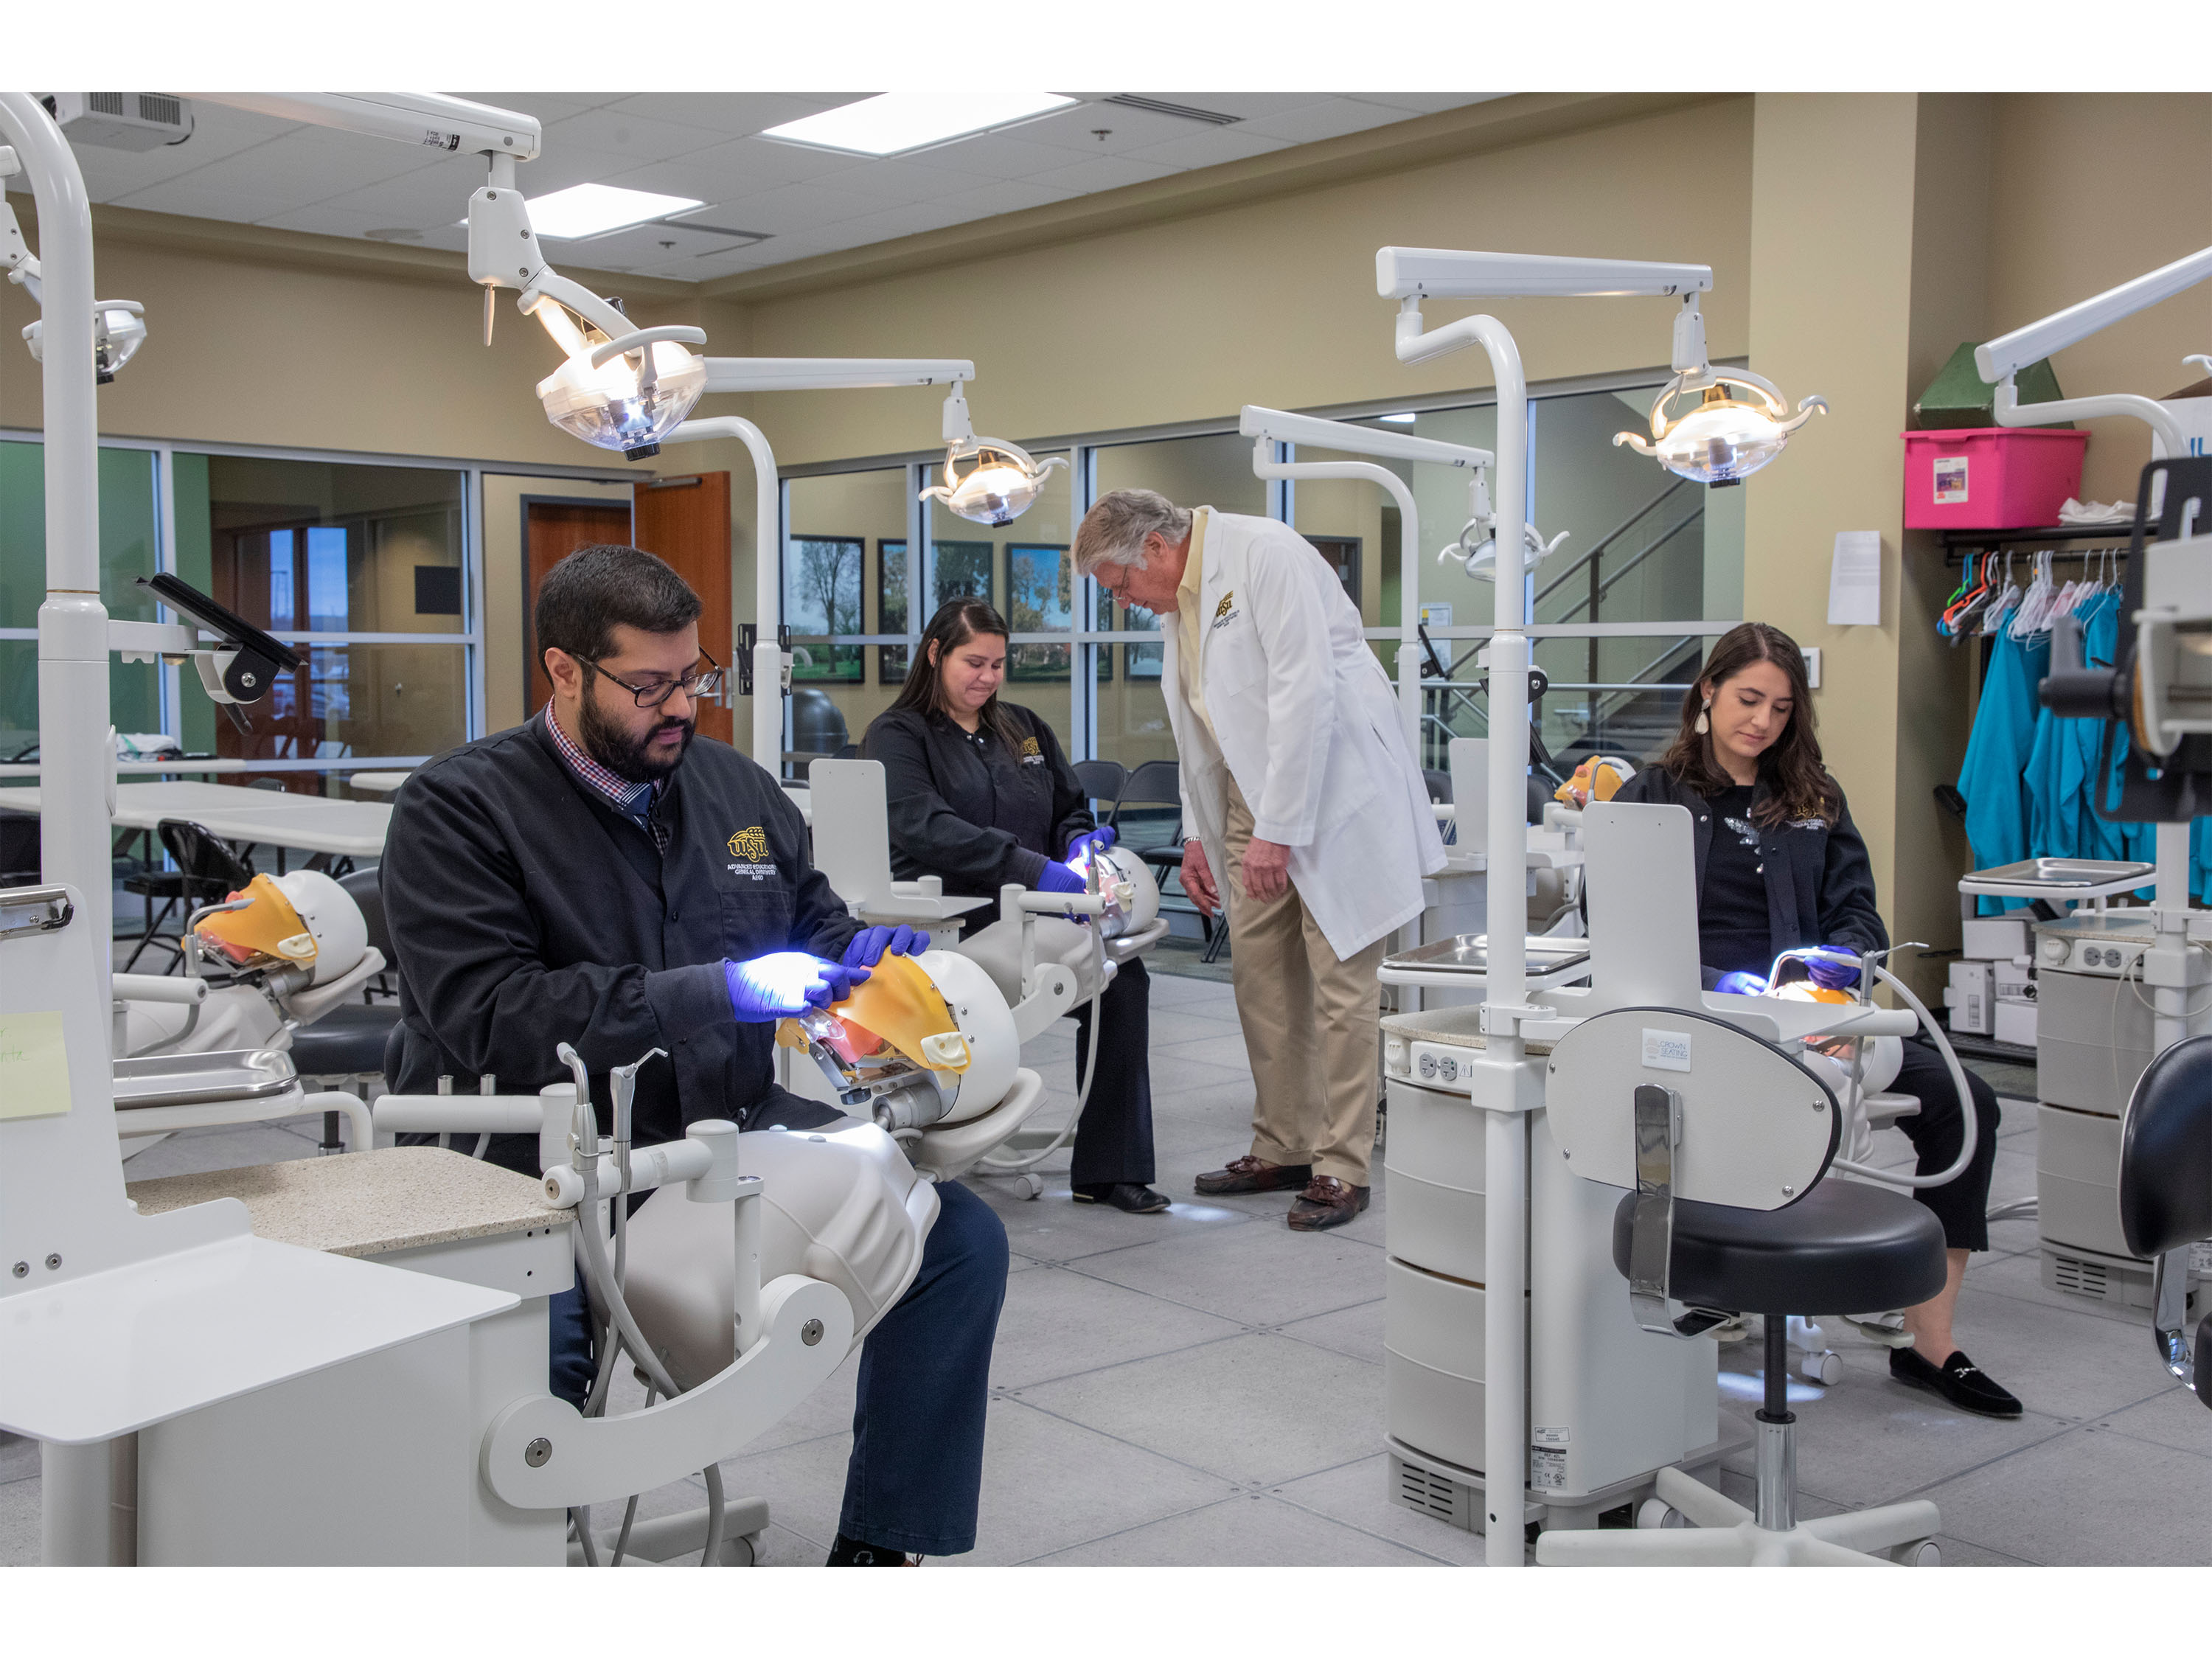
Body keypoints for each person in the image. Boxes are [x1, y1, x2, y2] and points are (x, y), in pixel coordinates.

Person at [380, 543, 1010, 1564]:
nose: (682, 708)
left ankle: (881, 1549)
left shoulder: (735, 790)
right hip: (527, 1170)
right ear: (564, 672)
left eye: (696, 677)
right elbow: (487, 1012)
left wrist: (855, 958)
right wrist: (721, 988)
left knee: (956, 1239)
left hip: (726, 1127)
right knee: (537, 1372)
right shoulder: (460, 807)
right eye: (651, 686)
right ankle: (524, 1567)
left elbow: (809, 921)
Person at [1600, 621, 2019, 1419]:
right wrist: (1733, 986)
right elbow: (1621, 926)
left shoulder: (1813, 799)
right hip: (1708, 1013)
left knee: (1971, 1104)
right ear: (1708, 692)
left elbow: (1857, 914)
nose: (1761, 721)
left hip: (1814, 1015)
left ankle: (1930, 1344)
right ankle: (1734, 1281)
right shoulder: (1652, 796)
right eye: (1748, 699)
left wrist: (1832, 979)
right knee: (1789, 1111)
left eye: (1782, 708)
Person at [1071, 490, 1447, 1231]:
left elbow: (1304, 694)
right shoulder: (1180, 602)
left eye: (1117, 586)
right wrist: (1195, 834)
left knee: (1341, 978)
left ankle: (1342, 1164)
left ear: (1152, 549)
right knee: (1262, 975)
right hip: (1248, 798)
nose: (1123, 604)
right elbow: (1197, 723)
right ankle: (1285, 1143)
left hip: (1331, 790)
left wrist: (1279, 828)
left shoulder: (1265, 554)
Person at [864, 598, 1168, 1214]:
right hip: (956, 919)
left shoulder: (1021, 727)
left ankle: (1109, 1173)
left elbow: (1067, 806)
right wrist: (1036, 869)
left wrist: (1078, 842)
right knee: (1107, 971)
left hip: (1037, 906)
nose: (987, 677)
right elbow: (928, 828)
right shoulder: (899, 735)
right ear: (935, 654)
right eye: (973, 662)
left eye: (999, 665)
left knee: (1124, 978)